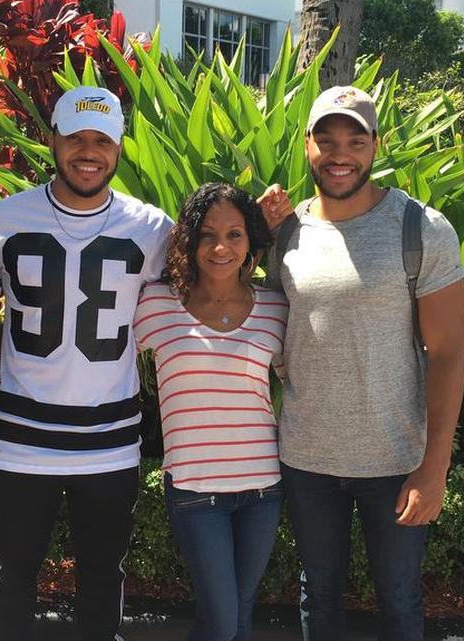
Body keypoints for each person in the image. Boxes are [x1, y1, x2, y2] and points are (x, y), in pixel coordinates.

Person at [0, 86, 174, 641]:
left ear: (119, 148)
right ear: (53, 139)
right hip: (21, 439)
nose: (89, 151)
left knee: (103, 578)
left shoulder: (153, 230)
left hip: (109, 441)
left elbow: (205, 290)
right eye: (77, 137)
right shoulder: (0, 221)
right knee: (12, 576)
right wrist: (18, 343)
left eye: (102, 140)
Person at [265, 86, 464, 641]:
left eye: (355, 140)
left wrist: (434, 467)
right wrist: (257, 232)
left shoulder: (420, 229)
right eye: (326, 140)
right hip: (307, 457)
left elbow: (448, 354)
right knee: (317, 591)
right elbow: (242, 315)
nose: (340, 154)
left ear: (375, 146)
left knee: (398, 597)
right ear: (307, 146)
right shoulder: (285, 231)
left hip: (395, 458)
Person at [133, 183, 288, 641]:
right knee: (222, 623)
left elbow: (303, 380)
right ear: (189, 241)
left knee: (237, 618)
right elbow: (104, 358)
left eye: (235, 234)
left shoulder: (275, 308)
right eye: (207, 234)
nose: (221, 247)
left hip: (263, 489)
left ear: (251, 242)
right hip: (196, 492)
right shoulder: (157, 304)